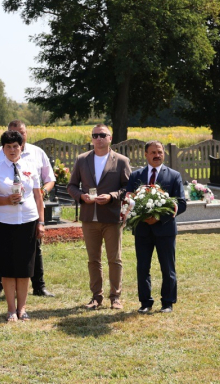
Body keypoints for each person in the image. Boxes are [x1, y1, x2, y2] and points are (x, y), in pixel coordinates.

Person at [0, 120, 55, 299]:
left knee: (32, 252)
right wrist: (4, 198)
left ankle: (39, 285)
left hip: (29, 214)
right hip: (5, 217)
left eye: (21, 133)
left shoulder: (37, 153)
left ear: (25, 135)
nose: (15, 144)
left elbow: (49, 179)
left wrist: (43, 194)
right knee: (2, 252)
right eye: (13, 133)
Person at [67, 124, 131, 310]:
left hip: (111, 217)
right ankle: (96, 297)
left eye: (102, 135)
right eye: (95, 135)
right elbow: (71, 186)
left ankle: (115, 297)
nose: (98, 138)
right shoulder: (82, 160)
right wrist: (81, 196)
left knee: (114, 259)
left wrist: (112, 196)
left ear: (110, 138)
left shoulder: (121, 161)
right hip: (89, 218)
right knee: (93, 260)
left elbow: (128, 188)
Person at [125, 140, 186, 314]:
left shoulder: (174, 176)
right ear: (146, 155)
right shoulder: (136, 176)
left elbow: (181, 203)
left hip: (165, 229)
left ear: (164, 154)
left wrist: (158, 217)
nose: (156, 155)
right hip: (142, 230)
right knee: (143, 267)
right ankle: (145, 302)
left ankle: (167, 302)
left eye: (159, 152)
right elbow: (128, 201)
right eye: (153, 152)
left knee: (167, 267)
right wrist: (140, 216)